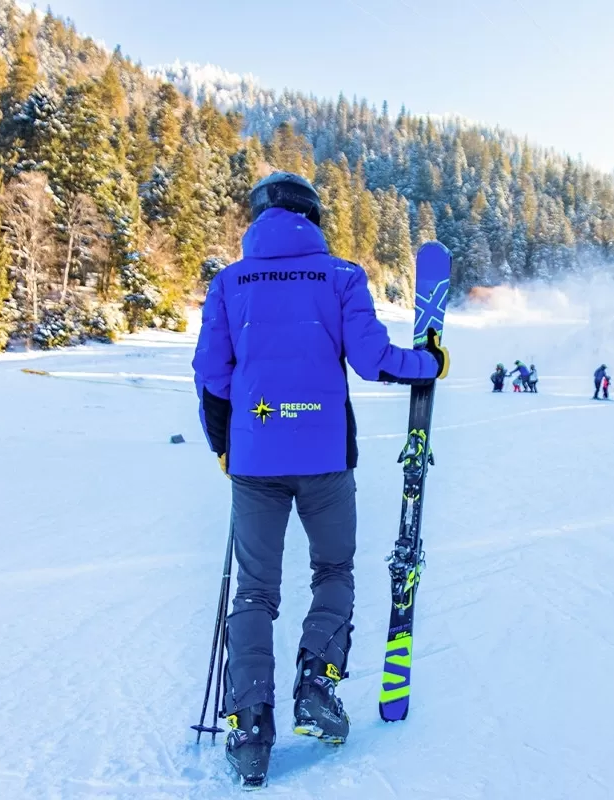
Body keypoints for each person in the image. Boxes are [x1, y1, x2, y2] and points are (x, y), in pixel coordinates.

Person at [192, 172, 450, 787]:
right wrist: (429, 363)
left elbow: (210, 374)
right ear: (313, 217)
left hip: (255, 461)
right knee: (333, 571)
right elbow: (371, 359)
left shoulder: (228, 282)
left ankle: (250, 725)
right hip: (326, 456)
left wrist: (228, 445)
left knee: (255, 592)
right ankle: (317, 685)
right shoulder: (340, 275)